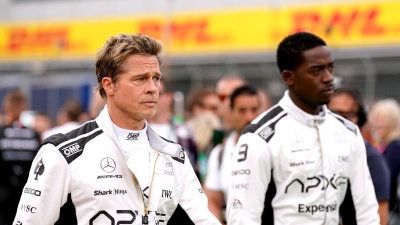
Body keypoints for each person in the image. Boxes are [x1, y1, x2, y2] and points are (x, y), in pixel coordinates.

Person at [13, 33, 220, 225]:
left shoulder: (174, 155)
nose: (152, 88)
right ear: (109, 85)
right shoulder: (63, 152)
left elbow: (202, 220)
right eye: (140, 79)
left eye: (155, 78)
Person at [226, 32, 379, 225]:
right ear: (289, 77)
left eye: (330, 68)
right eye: (316, 71)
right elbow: (243, 218)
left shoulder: (348, 131)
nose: (329, 78)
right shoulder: (259, 137)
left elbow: (366, 211)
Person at [328, 86, 390, 225]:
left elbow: (380, 219)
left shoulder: (371, 159)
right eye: (336, 114)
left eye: (350, 114)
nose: (343, 121)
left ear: (360, 118)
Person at [204, 85, 261, 224]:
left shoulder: (273, 148)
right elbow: (212, 202)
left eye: (254, 110)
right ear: (231, 112)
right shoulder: (219, 154)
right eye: (242, 110)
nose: (249, 117)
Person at [0, 90, 40, 225]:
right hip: (26, 193)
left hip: (3, 193)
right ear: (25, 108)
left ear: (5, 107)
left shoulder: (1, 133)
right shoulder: (33, 134)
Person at [368, 99, 400, 217]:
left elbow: (386, 178)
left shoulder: (395, 147)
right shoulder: (384, 145)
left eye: (384, 119)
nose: (379, 123)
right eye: (377, 118)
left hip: (388, 210)